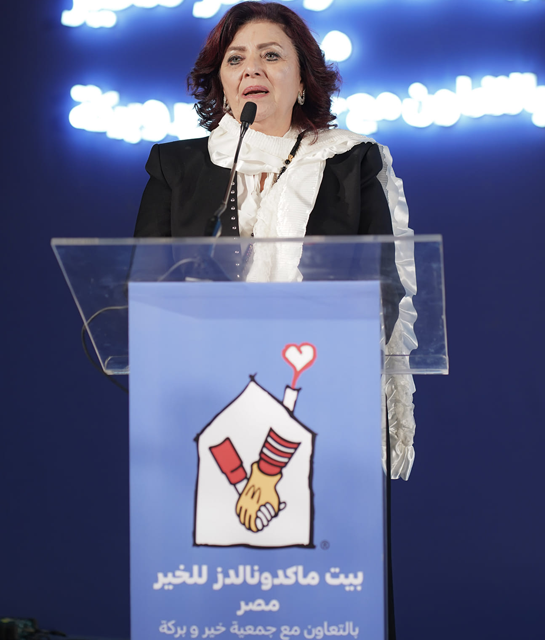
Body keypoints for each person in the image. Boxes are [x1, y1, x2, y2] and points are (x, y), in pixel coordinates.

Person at [135, 2, 418, 635]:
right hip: (203, 406)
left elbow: (383, 286)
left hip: (326, 403)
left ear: (304, 80)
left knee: (325, 597)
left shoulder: (351, 162)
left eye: (271, 55)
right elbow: (146, 289)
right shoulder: (177, 168)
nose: (251, 70)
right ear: (220, 82)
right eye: (235, 59)